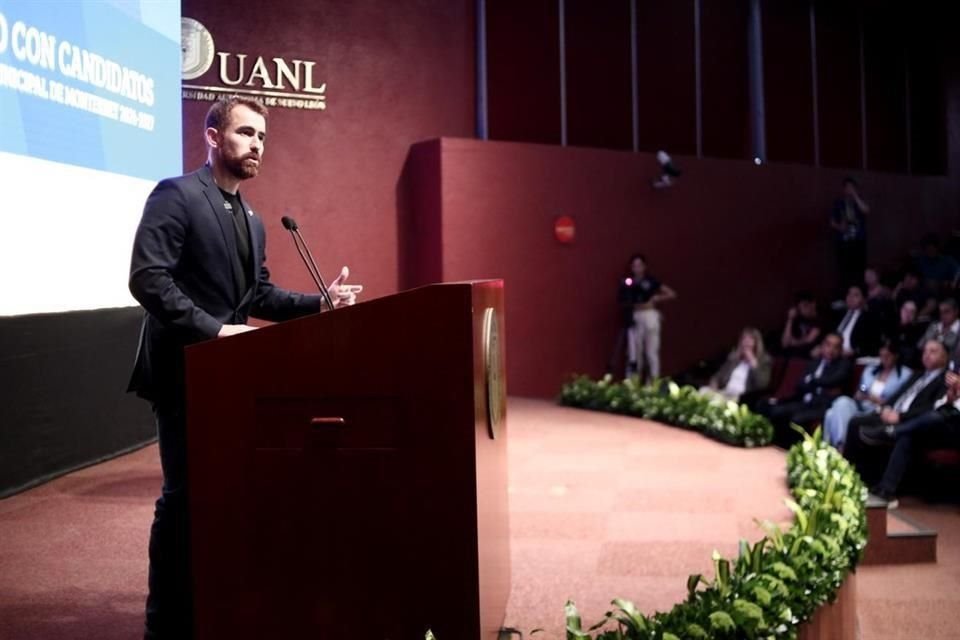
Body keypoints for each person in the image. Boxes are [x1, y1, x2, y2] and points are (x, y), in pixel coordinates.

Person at [127, 96, 361, 640]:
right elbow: (148, 278)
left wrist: (319, 302)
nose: (257, 145)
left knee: (227, 494)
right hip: (184, 370)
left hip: (230, 376)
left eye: (262, 138)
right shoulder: (177, 195)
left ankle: (213, 604)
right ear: (213, 137)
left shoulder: (252, 219)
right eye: (246, 133)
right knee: (183, 498)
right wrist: (213, 330)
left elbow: (257, 293)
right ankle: (164, 623)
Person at [859, 370, 960, 508]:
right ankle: (885, 490)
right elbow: (945, 403)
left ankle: (892, 431)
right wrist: (951, 396)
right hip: (943, 423)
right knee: (909, 436)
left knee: (935, 417)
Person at [841, 339, 948, 465]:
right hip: (890, 413)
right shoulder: (918, 375)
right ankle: (847, 466)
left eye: (933, 351)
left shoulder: (945, 380)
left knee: (874, 428)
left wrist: (900, 417)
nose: (927, 355)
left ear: (944, 357)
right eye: (925, 351)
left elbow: (931, 408)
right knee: (855, 422)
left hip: (908, 420)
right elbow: (898, 395)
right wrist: (885, 408)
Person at [757, 333, 852, 445]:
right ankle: (774, 445)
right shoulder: (815, 362)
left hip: (822, 407)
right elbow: (800, 384)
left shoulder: (844, 365)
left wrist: (812, 380)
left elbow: (832, 380)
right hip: (804, 401)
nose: (831, 350)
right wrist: (816, 383)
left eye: (836, 347)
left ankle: (791, 451)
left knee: (797, 419)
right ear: (822, 346)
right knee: (776, 410)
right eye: (828, 345)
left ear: (840, 350)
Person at [822, 341, 912, 449]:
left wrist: (876, 400)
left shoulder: (905, 374)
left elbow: (900, 401)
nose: (884, 359)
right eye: (882, 356)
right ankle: (841, 445)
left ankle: (836, 449)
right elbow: (859, 391)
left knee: (831, 414)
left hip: (879, 412)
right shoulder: (870, 370)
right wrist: (860, 395)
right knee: (842, 401)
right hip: (861, 406)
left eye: (888, 356)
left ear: (896, 355)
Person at [617, 254, 677, 381]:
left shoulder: (651, 281)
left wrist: (657, 298)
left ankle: (653, 383)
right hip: (635, 316)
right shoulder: (629, 282)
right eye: (634, 266)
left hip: (650, 314)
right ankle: (633, 382)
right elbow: (622, 299)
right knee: (634, 352)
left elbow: (672, 294)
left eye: (639, 265)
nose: (636, 268)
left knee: (651, 352)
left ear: (644, 267)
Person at [700, 327, 772, 402]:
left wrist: (753, 363)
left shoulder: (764, 361)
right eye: (744, 339)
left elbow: (762, 384)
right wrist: (714, 384)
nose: (746, 342)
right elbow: (717, 376)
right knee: (703, 391)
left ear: (757, 343)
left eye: (750, 339)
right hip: (725, 392)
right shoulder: (734, 358)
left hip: (741, 396)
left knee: (715, 401)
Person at [830, 177, 869, 289]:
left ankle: (859, 292)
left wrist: (855, 196)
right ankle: (845, 295)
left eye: (852, 187)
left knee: (859, 268)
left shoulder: (859, 201)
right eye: (847, 187)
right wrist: (839, 227)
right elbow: (832, 222)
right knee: (844, 269)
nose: (849, 190)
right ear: (843, 189)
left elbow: (866, 210)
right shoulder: (838, 203)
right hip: (844, 240)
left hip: (858, 240)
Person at [779, 291, 822, 358]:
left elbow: (809, 340)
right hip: (791, 354)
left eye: (805, 306)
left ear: (813, 304)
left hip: (806, 356)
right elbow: (784, 343)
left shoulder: (819, 320)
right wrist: (790, 319)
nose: (802, 310)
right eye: (800, 308)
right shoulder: (797, 319)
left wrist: (793, 343)